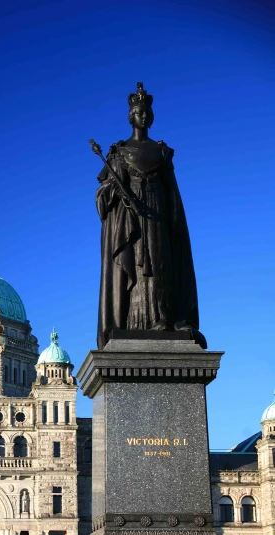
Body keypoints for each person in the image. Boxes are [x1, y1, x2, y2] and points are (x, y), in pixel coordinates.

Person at [94, 83, 206, 351]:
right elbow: (103, 195)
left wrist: (176, 224)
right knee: (136, 265)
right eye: (138, 111)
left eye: (147, 112)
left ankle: (163, 318)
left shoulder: (162, 152)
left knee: (160, 262)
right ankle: (133, 323)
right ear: (131, 115)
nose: (143, 116)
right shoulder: (118, 153)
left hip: (158, 216)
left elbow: (172, 192)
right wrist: (120, 196)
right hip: (131, 220)